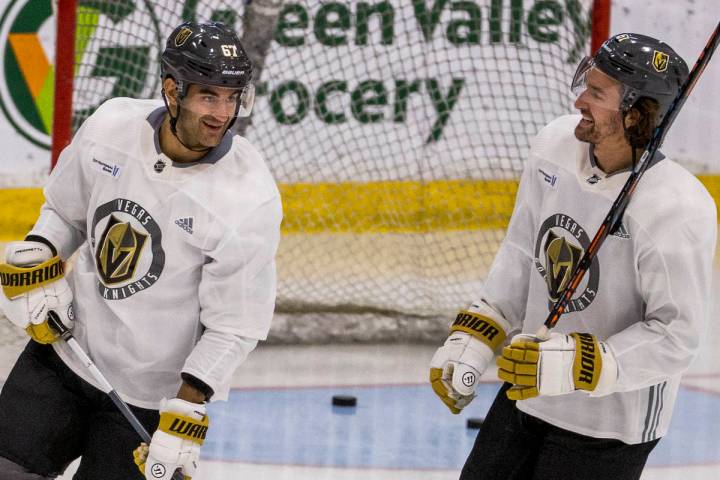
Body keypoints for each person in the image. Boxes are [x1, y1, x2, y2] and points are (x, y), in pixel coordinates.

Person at [0, 21, 281, 480]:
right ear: (172, 90)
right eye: (209, 95)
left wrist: (184, 416)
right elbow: (64, 213)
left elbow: (233, 326)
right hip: (66, 355)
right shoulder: (111, 126)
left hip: (149, 398)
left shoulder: (248, 195)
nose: (222, 113)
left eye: (233, 97)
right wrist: (39, 256)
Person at [429, 33, 716, 480]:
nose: (580, 99)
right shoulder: (554, 146)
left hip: (611, 425)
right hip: (528, 391)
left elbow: (675, 335)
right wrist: (477, 334)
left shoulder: (677, 208)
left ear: (636, 115)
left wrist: (581, 364)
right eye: (587, 83)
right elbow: (524, 249)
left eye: (597, 94)